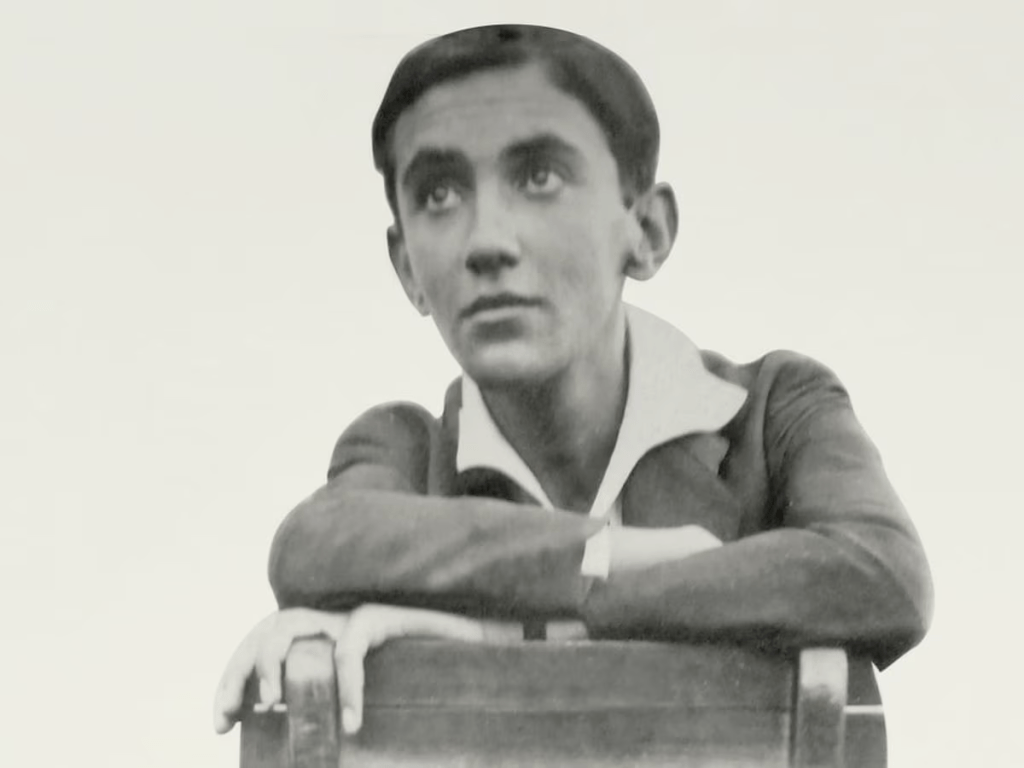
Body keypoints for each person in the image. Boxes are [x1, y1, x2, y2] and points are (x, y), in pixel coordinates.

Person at [213, 24, 933, 738]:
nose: (487, 242)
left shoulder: (775, 412)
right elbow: (316, 544)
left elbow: (883, 573)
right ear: (407, 268)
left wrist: (508, 627)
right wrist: (608, 559)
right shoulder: (403, 449)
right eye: (438, 194)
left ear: (646, 231)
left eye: (539, 178)